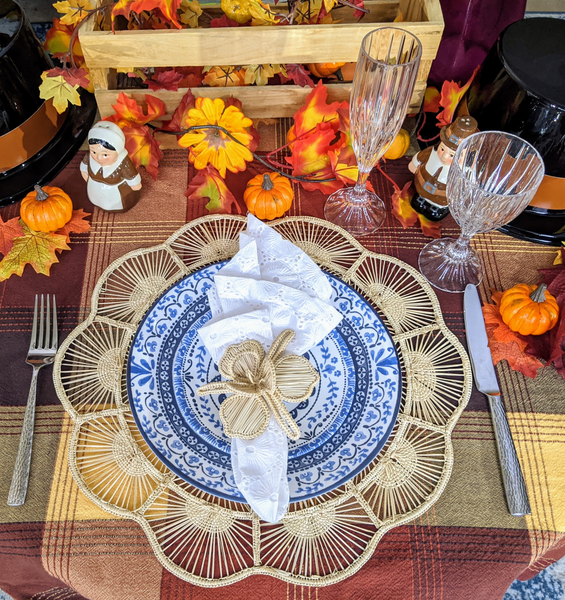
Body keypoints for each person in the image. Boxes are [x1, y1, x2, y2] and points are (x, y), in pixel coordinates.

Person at [409, 116, 477, 221]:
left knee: (434, 211)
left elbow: (468, 186)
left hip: (442, 198)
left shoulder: (464, 170)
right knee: (418, 202)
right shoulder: (431, 152)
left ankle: (437, 207)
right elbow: (420, 157)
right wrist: (414, 164)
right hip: (421, 186)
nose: (444, 156)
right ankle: (421, 199)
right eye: (442, 149)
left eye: (452, 155)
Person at [80, 121, 142, 212]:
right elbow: (84, 168)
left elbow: (135, 183)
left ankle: (118, 207)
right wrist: (88, 178)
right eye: (94, 152)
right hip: (95, 193)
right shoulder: (90, 157)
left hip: (117, 196)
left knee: (117, 205)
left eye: (105, 155)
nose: (98, 157)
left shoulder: (123, 162)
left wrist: (134, 185)